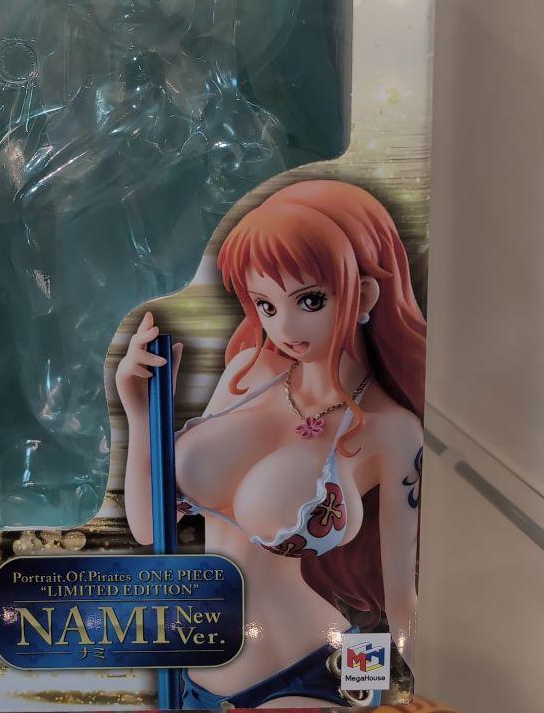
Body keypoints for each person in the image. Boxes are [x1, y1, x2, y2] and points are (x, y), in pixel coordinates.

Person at [116, 180, 425, 708]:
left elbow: (402, 597)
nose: (284, 326)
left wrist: (408, 692)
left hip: (314, 677)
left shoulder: (392, 429)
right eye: (265, 304)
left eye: (310, 300)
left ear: (365, 295)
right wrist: (139, 413)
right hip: (198, 682)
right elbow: (149, 528)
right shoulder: (247, 374)